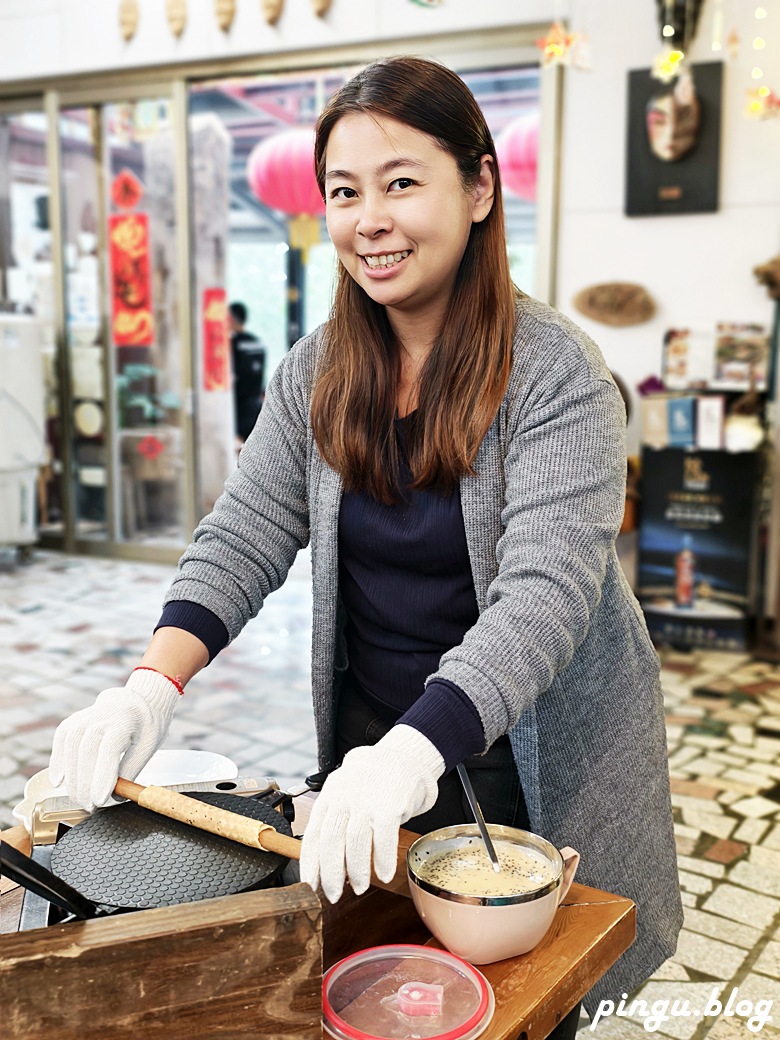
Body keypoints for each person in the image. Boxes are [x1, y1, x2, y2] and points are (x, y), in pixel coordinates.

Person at [48, 56, 682, 1030]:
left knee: (524, 999)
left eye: (401, 183)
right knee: (381, 985)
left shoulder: (557, 374)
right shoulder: (319, 367)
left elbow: (545, 596)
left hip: (524, 757)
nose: (369, 220)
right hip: (371, 749)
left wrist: (417, 749)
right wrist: (149, 685)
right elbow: (246, 529)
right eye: (344, 192)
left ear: (479, 187)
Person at [228, 300, 266, 442]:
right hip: (257, 406)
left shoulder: (232, 345)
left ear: (230, 319)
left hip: (238, 409)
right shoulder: (258, 343)